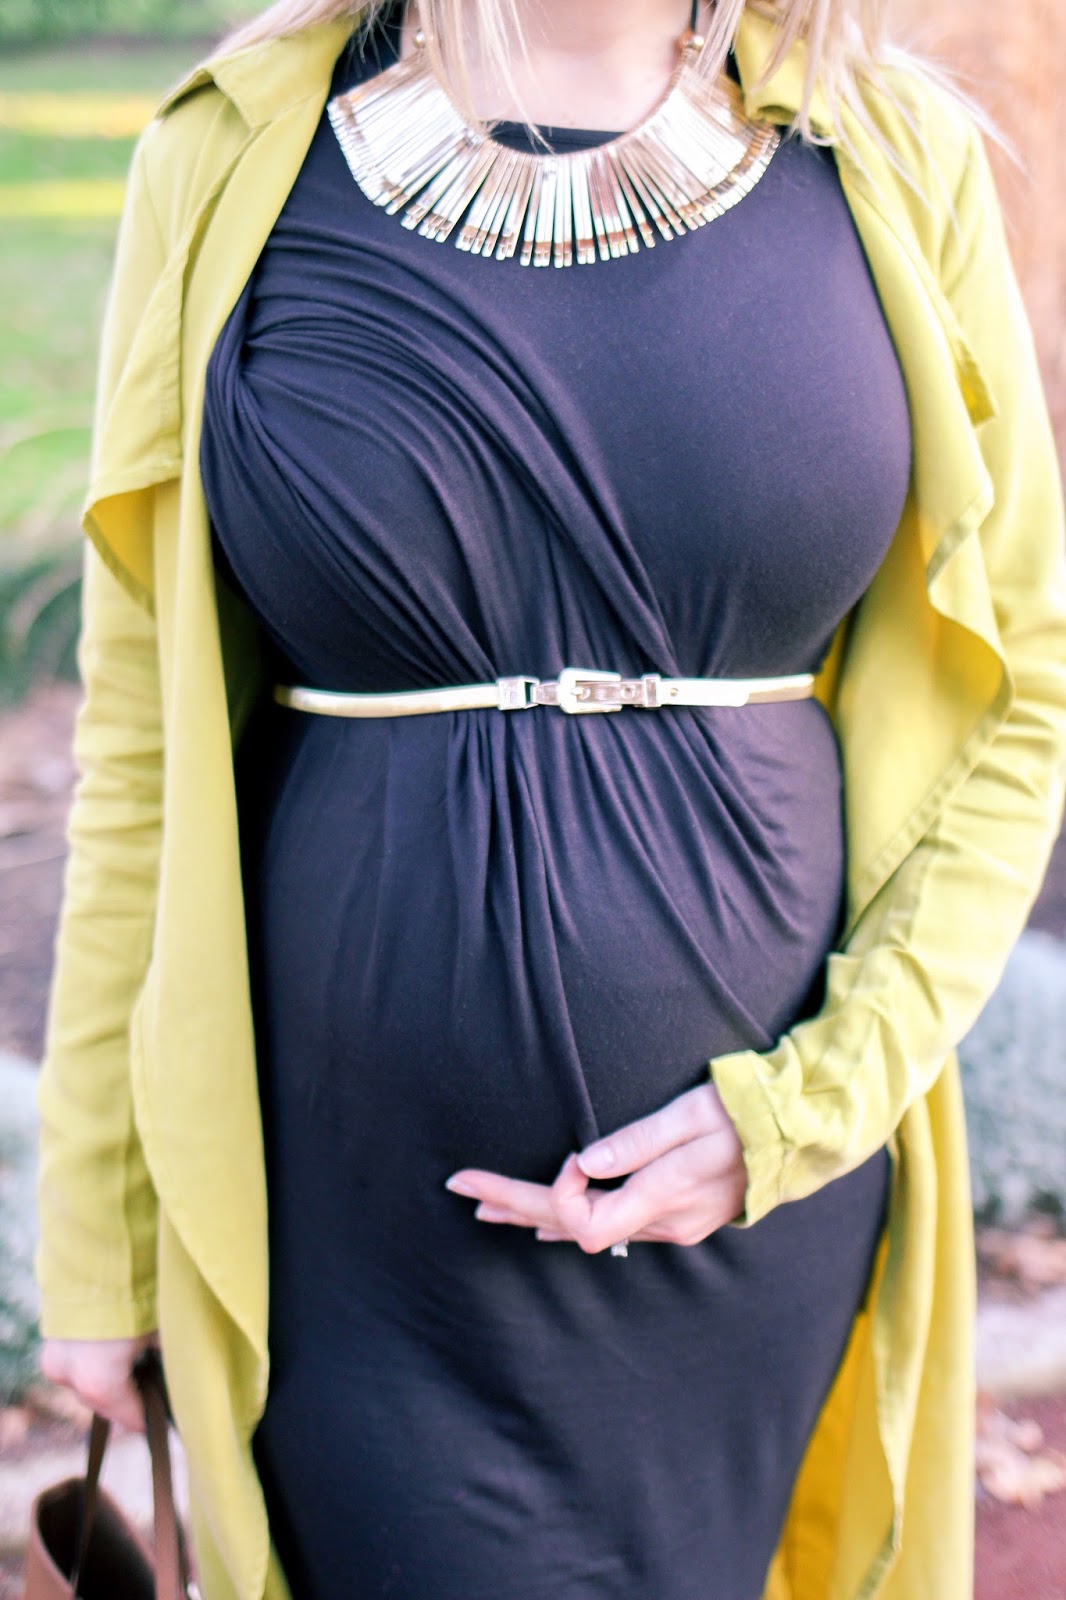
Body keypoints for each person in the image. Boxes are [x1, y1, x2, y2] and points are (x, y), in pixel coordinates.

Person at [33, 0, 1066, 1596]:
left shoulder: (885, 151)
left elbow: (1019, 697)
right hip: (359, 1226)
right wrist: (96, 1242)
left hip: (757, 1228)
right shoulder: (232, 150)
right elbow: (141, 758)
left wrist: (806, 1107)